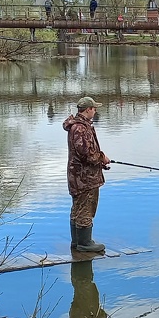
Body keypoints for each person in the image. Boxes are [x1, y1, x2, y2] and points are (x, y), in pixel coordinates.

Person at [64, 96, 110, 252]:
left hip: (79, 175)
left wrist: (100, 162)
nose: (95, 111)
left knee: (78, 207)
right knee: (85, 208)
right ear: (88, 109)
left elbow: (85, 154)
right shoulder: (80, 128)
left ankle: (77, 241)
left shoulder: (80, 126)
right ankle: (85, 243)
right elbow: (86, 154)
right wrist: (102, 157)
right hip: (84, 178)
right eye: (94, 108)